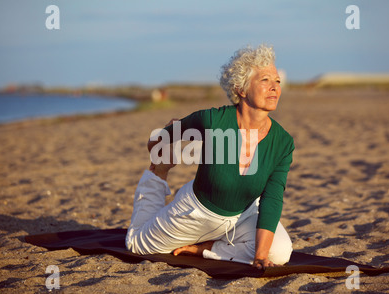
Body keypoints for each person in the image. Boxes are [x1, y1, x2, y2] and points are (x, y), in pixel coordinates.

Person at [125, 44, 294, 269]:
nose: (274, 87)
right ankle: (158, 177)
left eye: (277, 81)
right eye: (265, 80)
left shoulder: (283, 142)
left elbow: (272, 199)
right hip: (196, 212)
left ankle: (208, 248)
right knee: (137, 245)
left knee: (280, 253)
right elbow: (157, 140)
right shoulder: (213, 121)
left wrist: (261, 256)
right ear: (241, 89)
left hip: (242, 215)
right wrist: (161, 158)